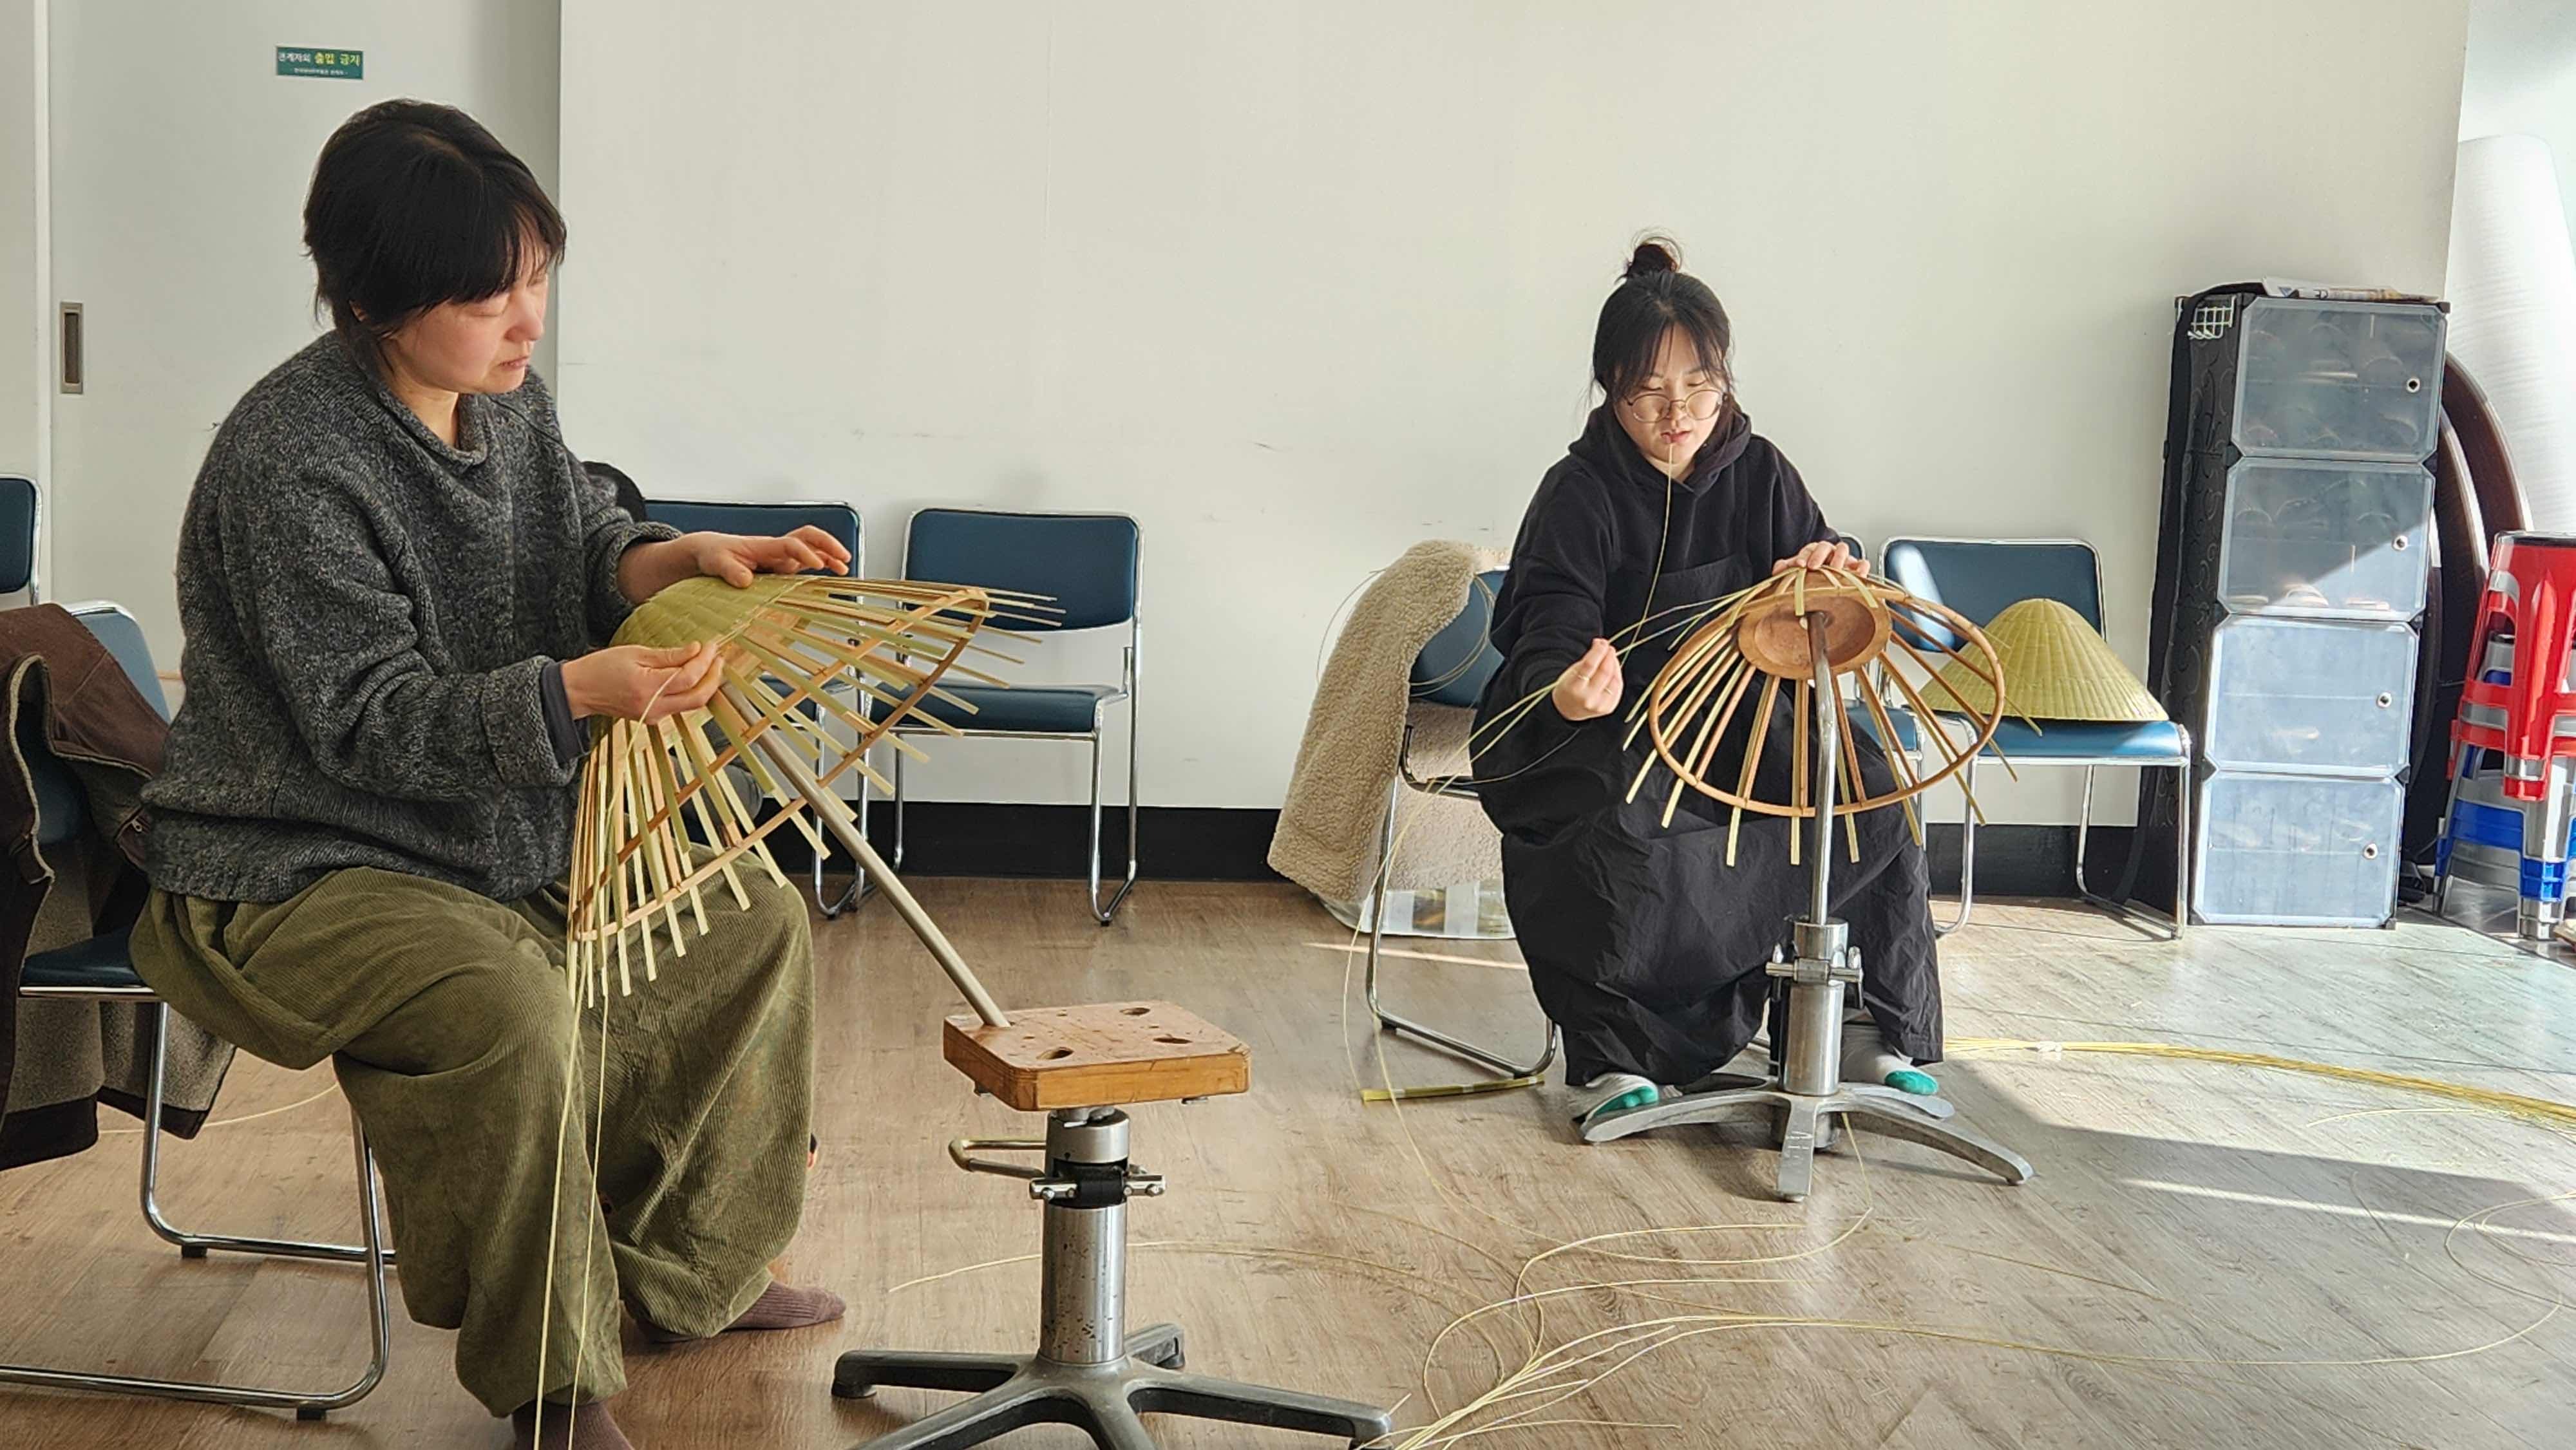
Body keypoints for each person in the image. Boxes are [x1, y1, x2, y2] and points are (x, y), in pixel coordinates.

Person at [129, 100, 848, 1450]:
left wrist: (676, 558)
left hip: (487, 834)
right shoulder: (292, 460)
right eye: (488, 298)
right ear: (375, 301)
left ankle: (683, 1273)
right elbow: (369, 723)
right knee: (504, 1004)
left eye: (536, 282)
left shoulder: (502, 405)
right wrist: (580, 692)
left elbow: (578, 540)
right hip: (297, 859)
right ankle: (554, 1384)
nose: (527, 324)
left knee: (745, 922)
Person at [1473, 238, 1942, 1133]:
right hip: (1604, 723)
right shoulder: (1577, 492)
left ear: (1724, 382)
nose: (1677, 413)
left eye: (1699, 387)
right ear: (1611, 391)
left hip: (1745, 716)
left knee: (1870, 788)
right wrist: (1568, 688)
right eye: (1649, 392)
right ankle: (1614, 1052)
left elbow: (1824, 577)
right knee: (1620, 817)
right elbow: (1548, 626)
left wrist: (1827, 570)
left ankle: (1860, 1026)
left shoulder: (1761, 471)